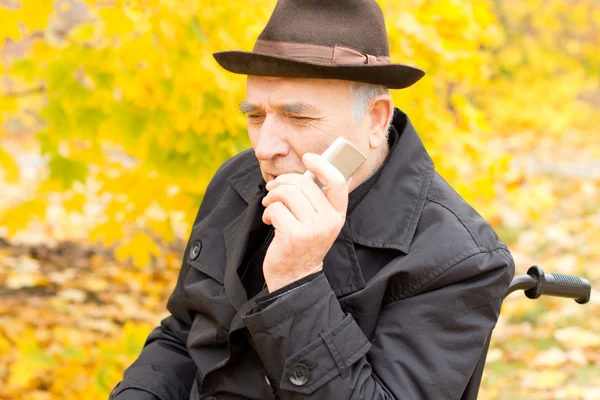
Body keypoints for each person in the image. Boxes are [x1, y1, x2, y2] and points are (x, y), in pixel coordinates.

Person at [109, 0, 515, 399]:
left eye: (298, 117)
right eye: (255, 116)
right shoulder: (237, 180)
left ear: (375, 119)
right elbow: (183, 335)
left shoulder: (458, 258)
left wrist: (297, 282)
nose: (265, 147)